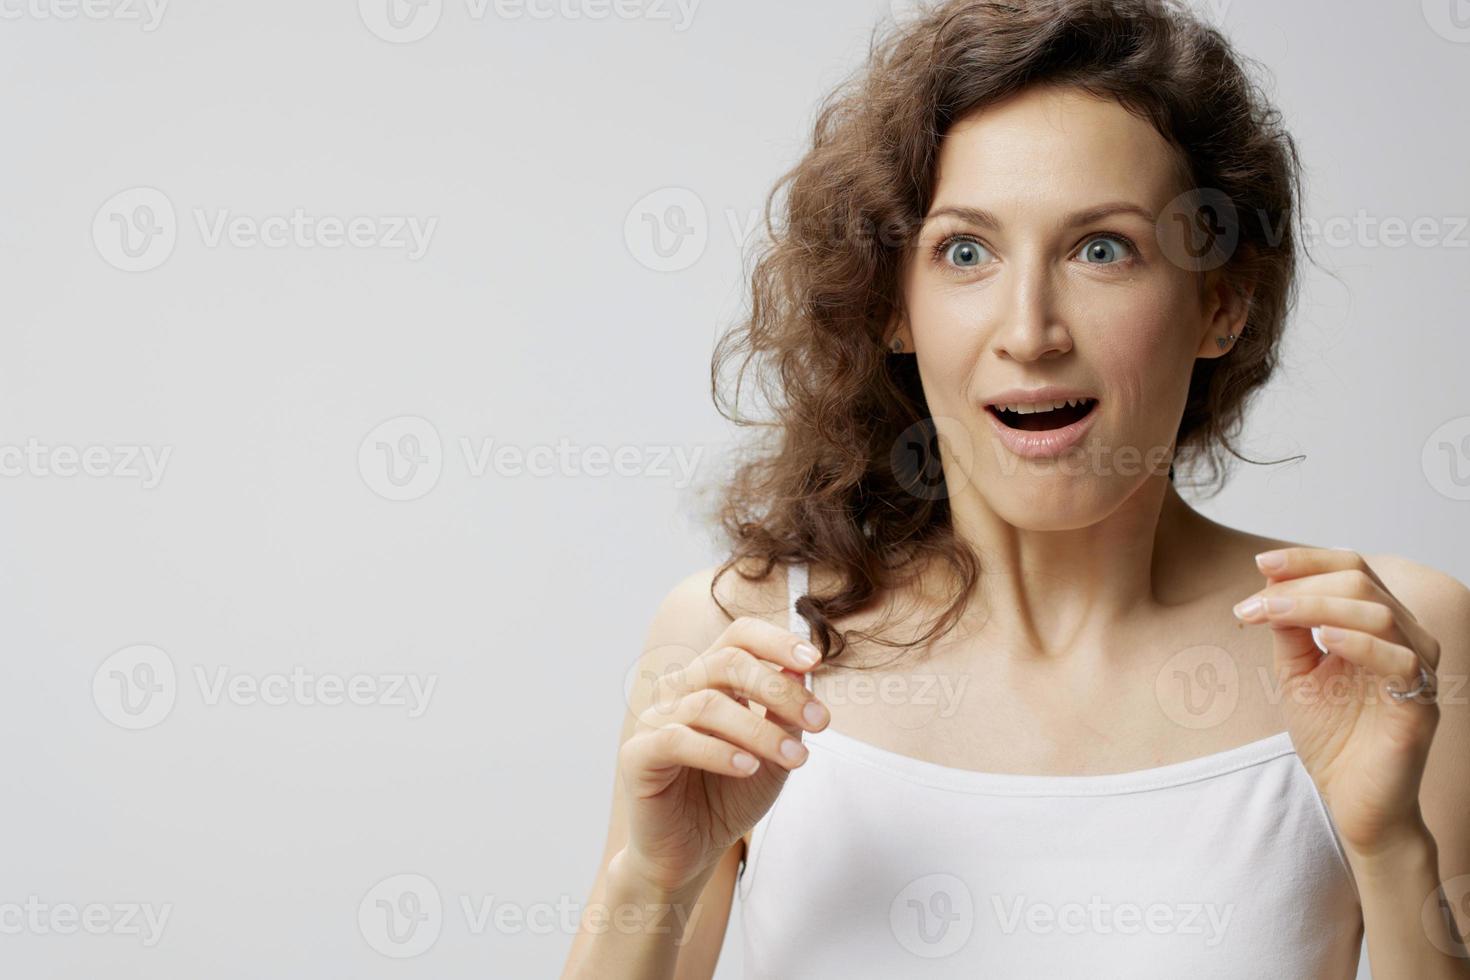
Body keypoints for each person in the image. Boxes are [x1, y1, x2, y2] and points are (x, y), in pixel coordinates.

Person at [562, 1, 1470, 976]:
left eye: (1102, 248)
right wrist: (648, 880)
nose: (1030, 328)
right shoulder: (741, 639)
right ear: (894, 305)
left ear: (1220, 303)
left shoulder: (1383, 644)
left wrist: (1390, 847)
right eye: (965, 251)